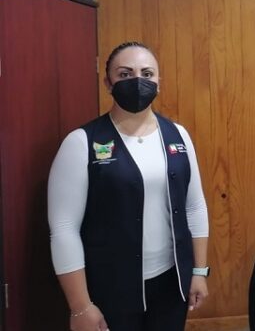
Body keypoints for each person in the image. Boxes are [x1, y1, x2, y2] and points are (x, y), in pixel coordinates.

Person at [48, 42, 210, 331]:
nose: (137, 81)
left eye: (147, 74)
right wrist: (80, 306)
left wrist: (199, 271)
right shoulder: (82, 142)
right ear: (108, 83)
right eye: (125, 74)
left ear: (159, 82)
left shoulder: (178, 136)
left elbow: (194, 206)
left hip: (171, 284)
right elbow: (64, 229)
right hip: (109, 289)